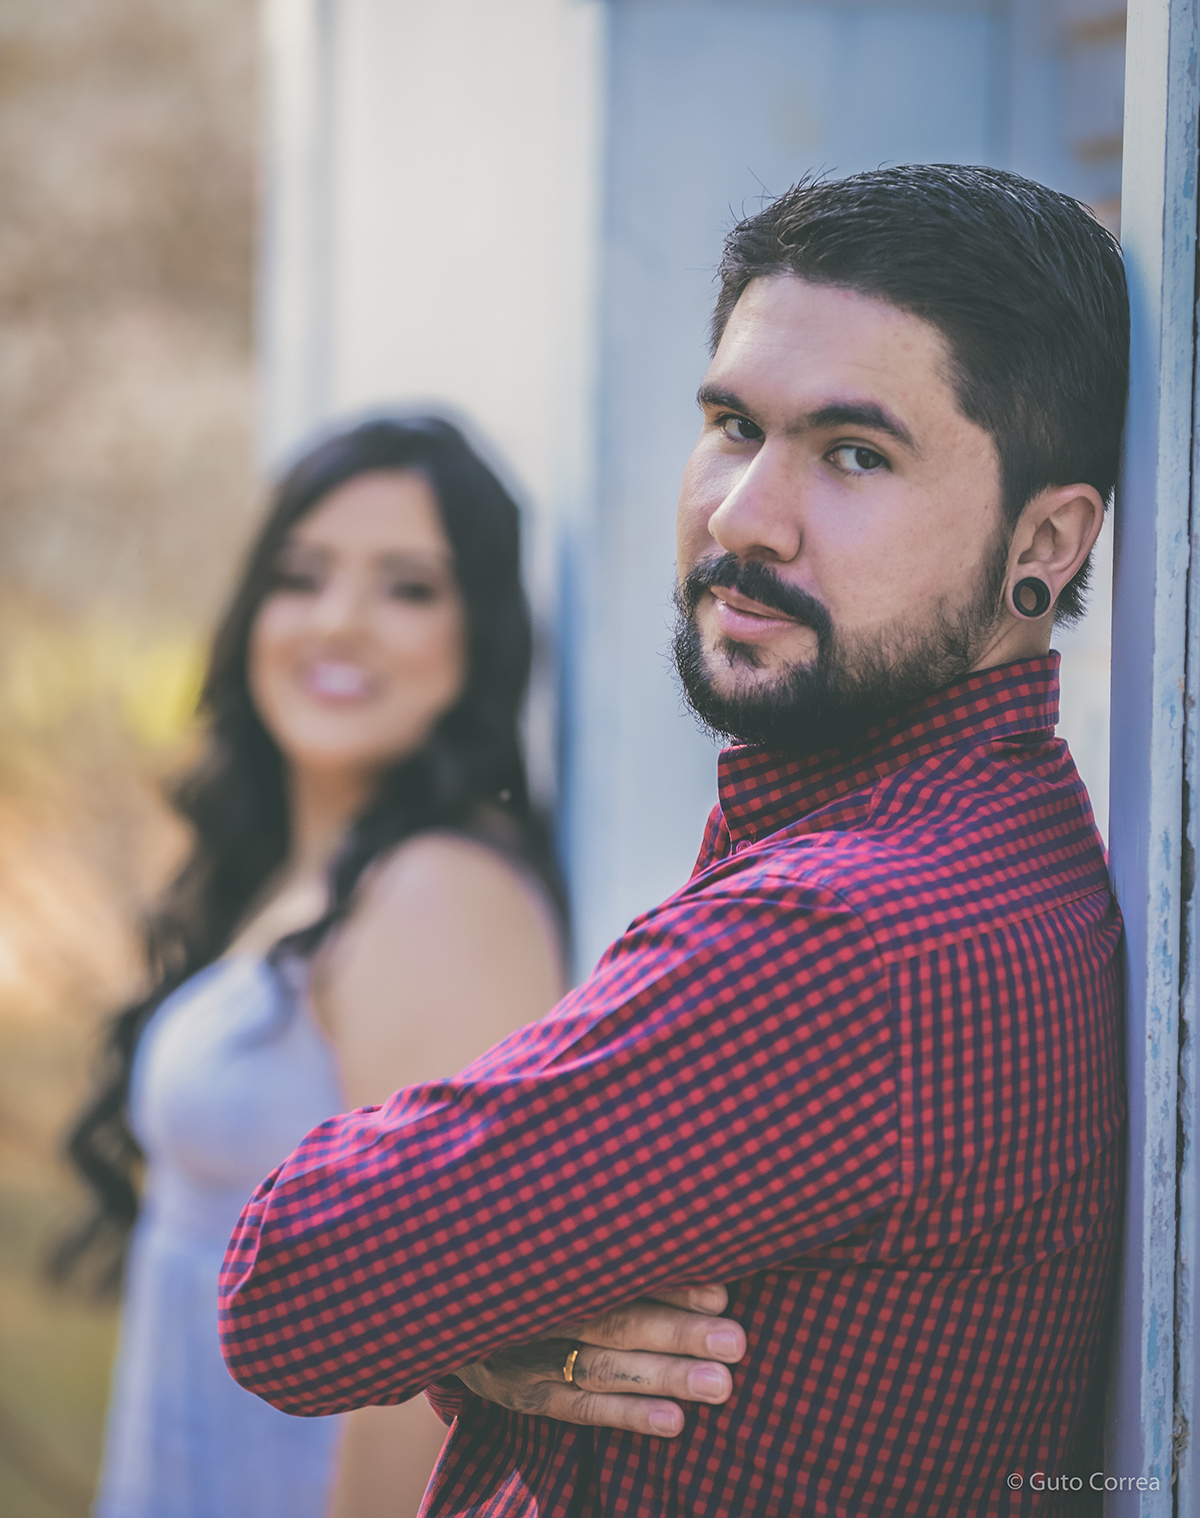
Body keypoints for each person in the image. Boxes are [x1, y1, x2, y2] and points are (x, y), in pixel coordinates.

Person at [219, 166, 1127, 1516]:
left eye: (855, 453)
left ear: (1044, 540)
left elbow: (291, 1290)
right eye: (733, 426)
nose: (744, 514)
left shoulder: (835, 937)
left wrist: (470, 1312)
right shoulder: (1012, 851)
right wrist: (500, 1330)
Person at [54, 416, 566, 1518]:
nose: (338, 621)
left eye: (408, 589)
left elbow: (428, 1368)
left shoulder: (439, 896)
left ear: (479, 637)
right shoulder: (291, 878)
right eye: (302, 576)